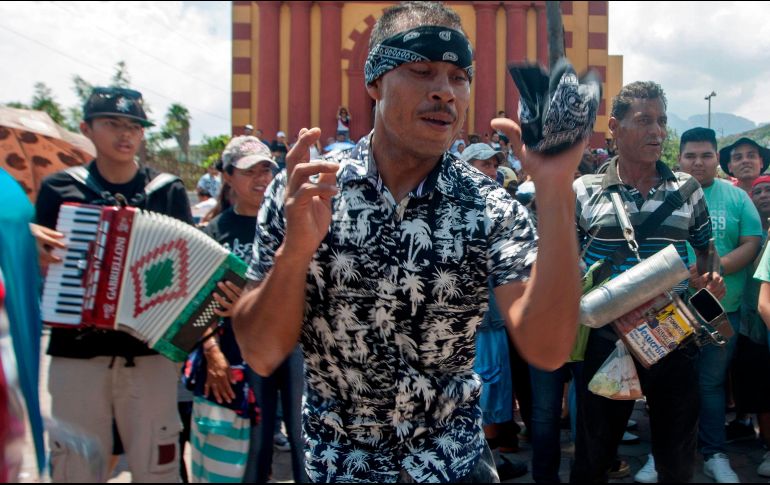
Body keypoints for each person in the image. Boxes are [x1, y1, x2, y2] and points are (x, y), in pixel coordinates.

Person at [232, 1, 585, 482]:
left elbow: (547, 349)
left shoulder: (490, 206)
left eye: (459, 77)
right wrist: (293, 254)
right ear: (374, 82)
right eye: (421, 71)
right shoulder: (307, 191)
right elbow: (259, 351)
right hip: (339, 467)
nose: (444, 91)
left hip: (453, 466)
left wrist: (556, 188)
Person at [32, 87, 193, 482]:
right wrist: (34, 251)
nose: (126, 134)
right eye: (112, 124)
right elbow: (41, 273)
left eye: (134, 126)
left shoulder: (166, 192)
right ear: (87, 128)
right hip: (78, 354)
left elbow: (189, 270)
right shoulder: (60, 190)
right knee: (75, 467)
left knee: (158, 468)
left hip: (150, 357)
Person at [571, 81, 724, 484]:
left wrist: (711, 275)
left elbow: (706, 249)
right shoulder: (584, 191)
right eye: (644, 121)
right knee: (593, 452)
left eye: (662, 122)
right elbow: (565, 262)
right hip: (605, 336)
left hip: (671, 333)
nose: (657, 131)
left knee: (676, 453)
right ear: (614, 127)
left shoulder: (687, 190)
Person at [635, 127, 762, 482]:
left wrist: (711, 269)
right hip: (667, 306)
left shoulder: (736, 198)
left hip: (721, 307)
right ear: (679, 159)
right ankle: (660, 455)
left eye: (706, 155)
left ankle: (714, 453)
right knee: (664, 384)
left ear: (716, 159)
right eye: (690, 155)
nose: (698, 162)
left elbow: (752, 241)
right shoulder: (660, 194)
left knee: (710, 384)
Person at [184, 136, 274, 482]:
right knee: (227, 459)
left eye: (266, 169)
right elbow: (195, 303)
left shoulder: (281, 227)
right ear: (227, 177)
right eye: (250, 171)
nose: (261, 179)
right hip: (227, 359)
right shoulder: (213, 231)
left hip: (271, 358)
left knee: (261, 453)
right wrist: (211, 353)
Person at [460, 143, 527, 481]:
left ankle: (489, 462)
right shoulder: (457, 205)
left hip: (496, 322)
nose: (489, 170)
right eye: (481, 163)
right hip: (472, 326)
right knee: (480, 395)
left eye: (492, 164)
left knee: (495, 393)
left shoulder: (500, 206)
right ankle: (478, 466)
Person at [736, 175, 770, 478]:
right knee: (760, 385)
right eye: (757, 191)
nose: (763, 195)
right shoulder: (745, 219)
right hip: (753, 316)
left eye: (769, 189)